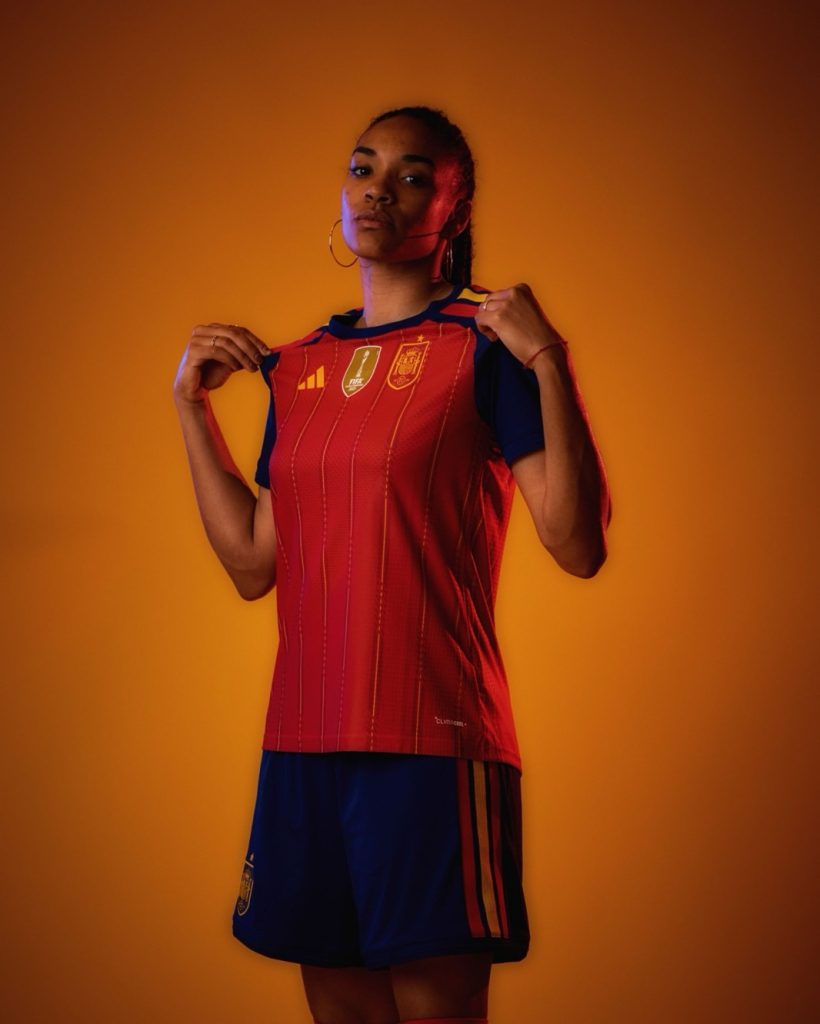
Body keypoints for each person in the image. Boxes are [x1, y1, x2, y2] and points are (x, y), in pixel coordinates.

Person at [173, 104, 612, 1024]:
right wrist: (191, 410)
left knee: (435, 1005)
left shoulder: (484, 348)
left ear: (454, 210)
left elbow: (576, 544)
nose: (378, 190)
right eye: (362, 168)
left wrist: (547, 359)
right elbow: (253, 562)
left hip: (431, 742)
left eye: (413, 176)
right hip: (301, 742)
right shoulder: (299, 369)